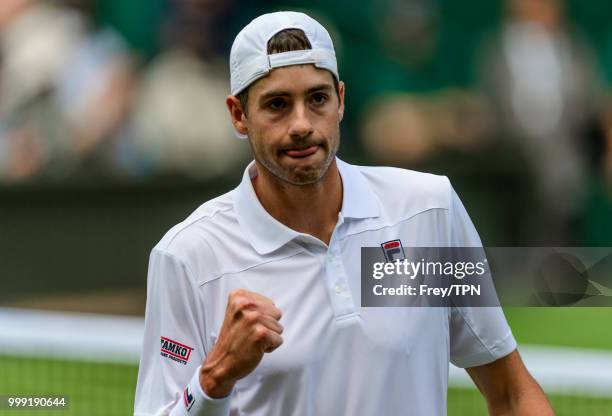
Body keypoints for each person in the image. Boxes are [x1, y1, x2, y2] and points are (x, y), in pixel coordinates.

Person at [134, 11, 553, 416]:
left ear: (341, 101)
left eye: (317, 98)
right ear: (238, 115)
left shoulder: (428, 209)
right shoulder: (187, 255)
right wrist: (216, 377)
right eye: (277, 104)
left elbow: (513, 395)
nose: (301, 124)